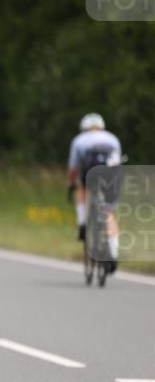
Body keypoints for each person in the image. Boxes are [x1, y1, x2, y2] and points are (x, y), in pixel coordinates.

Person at [67, 112, 122, 273]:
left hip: (91, 173)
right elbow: (117, 162)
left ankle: (83, 223)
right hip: (111, 174)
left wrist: (71, 184)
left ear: (84, 128)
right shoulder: (113, 138)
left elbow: (73, 169)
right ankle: (113, 251)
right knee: (108, 211)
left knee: (82, 188)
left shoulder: (79, 140)